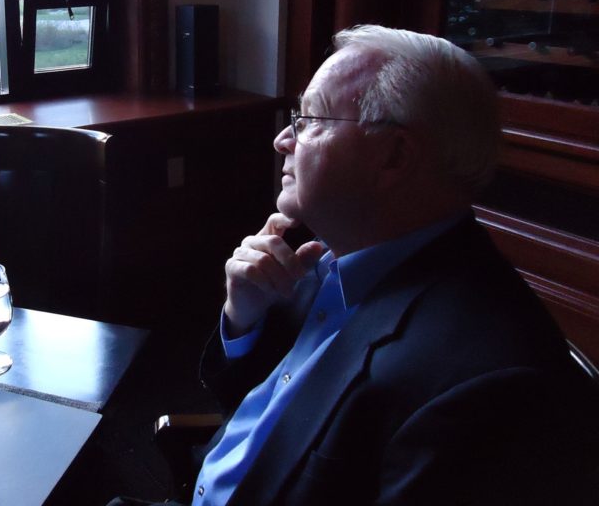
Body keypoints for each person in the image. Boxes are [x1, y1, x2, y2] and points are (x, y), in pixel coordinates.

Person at [114, 25, 599, 505]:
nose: (283, 139)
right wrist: (246, 319)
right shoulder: (334, 257)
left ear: (394, 156)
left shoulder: (489, 390)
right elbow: (270, 409)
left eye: (310, 120)